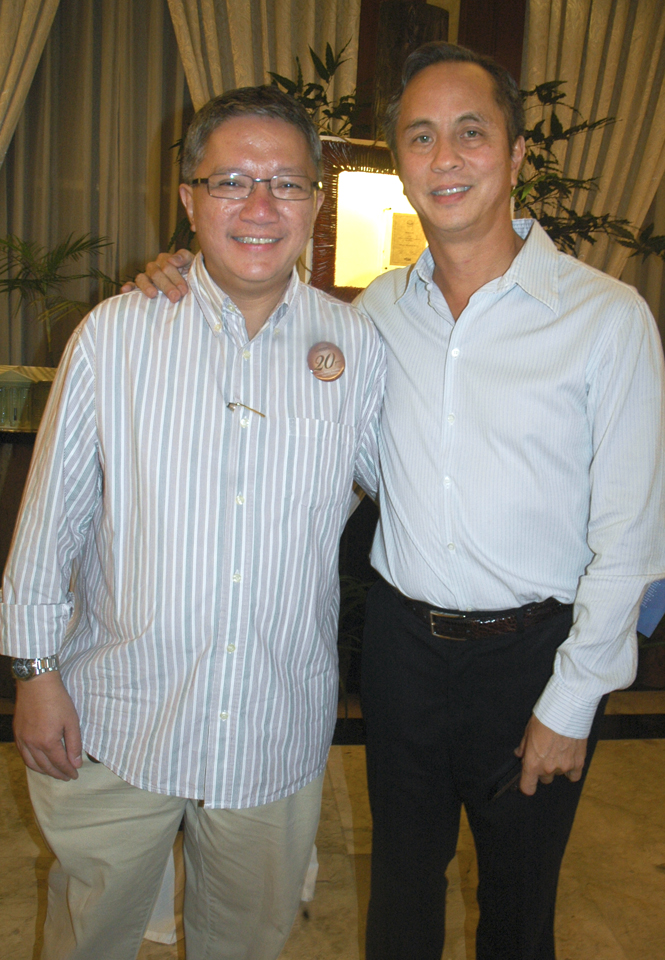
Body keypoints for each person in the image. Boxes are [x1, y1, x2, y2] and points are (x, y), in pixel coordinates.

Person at [129, 43, 665, 960]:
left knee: (517, 911)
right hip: (402, 651)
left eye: (470, 132)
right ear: (398, 162)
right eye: (419, 137)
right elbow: (289, 366)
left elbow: (634, 535)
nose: (444, 157)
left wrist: (572, 700)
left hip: (534, 657)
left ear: (516, 153)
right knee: (400, 895)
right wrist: (185, 277)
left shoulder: (604, 318)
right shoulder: (372, 315)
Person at [0, 85, 385, 960]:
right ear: (188, 198)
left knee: (245, 944)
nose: (259, 206)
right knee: (88, 936)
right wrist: (33, 672)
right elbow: (50, 517)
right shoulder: (117, 334)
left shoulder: (357, 347)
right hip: (118, 719)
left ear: (316, 202)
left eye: (286, 183)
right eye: (230, 182)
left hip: (273, 727)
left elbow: (415, 492)